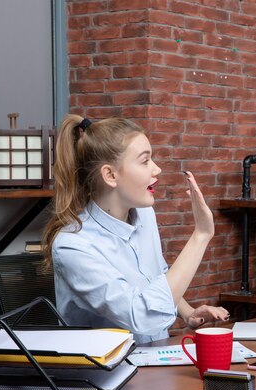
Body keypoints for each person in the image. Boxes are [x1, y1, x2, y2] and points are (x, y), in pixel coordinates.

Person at [42, 115, 229, 344]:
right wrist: (200, 236)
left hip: (154, 360)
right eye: (144, 161)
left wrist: (188, 313)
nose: (157, 169)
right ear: (110, 175)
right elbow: (143, 317)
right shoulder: (73, 245)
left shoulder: (144, 215)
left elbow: (156, 276)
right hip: (105, 375)